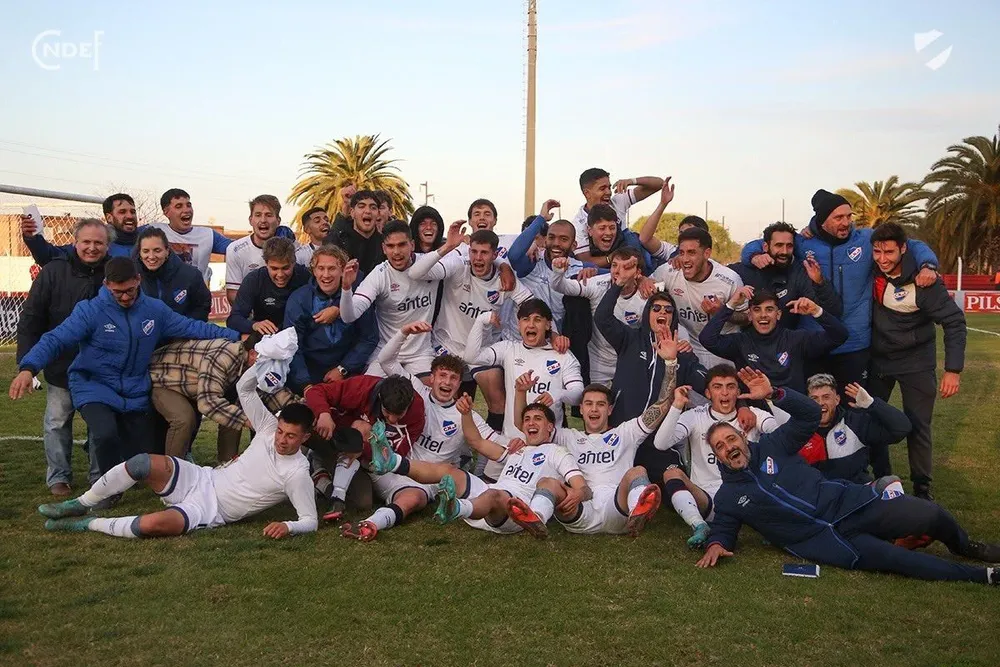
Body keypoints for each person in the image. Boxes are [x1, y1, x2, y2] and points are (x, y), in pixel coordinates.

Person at [697, 369, 1000, 585]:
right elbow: (724, 527)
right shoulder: (728, 496)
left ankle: (964, 546)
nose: (729, 448)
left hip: (851, 504)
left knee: (931, 514)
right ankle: (984, 576)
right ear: (717, 456)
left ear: (741, 434)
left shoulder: (775, 443)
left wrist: (776, 394)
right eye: (720, 447)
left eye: (730, 439)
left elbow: (809, 416)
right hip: (825, 543)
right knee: (898, 561)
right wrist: (716, 544)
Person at [11, 257, 240, 487]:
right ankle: (107, 488)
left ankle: (117, 465)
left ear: (138, 280)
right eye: (118, 292)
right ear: (107, 284)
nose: (125, 297)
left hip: (134, 389)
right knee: (105, 434)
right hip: (94, 385)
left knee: (144, 455)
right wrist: (29, 368)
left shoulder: (155, 310)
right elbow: (55, 339)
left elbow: (193, 327)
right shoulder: (90, 311)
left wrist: (239, 338)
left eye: (130, 290)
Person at [38, 366, 319, 540]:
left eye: (291, 436)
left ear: (305, 437)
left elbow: (310, 521)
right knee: (140, 463)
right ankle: (80, 503)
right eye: (281, 431)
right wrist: (266, 361)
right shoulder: (269, 427)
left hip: (211, 509)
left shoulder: (297, 473)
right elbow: (244, 389)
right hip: (201, 478)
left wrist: (287, 526)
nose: (281, 439)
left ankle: (88, 524)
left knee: (151, 525)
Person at [739, 189, 940, 391]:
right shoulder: (802, 243)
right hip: (814, 341)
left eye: (848, 216)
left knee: (854, 406)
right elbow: (757, 244)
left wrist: (928, 265)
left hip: (855, 343)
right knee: (815, 405)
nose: (846, 222)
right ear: (823, 220)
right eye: (838, 217)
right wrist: (754, 255)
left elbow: (911, 245)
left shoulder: (866, 240)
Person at [340, 324, 509, 541]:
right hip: (387, 466)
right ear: (432, 377)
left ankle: (370, 524)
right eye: (443, 375)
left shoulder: (466, 415)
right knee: (361, 429)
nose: (447, 382)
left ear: (460, 384)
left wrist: (517, 445)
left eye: (453, 378)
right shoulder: (416, 391)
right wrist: (403, 333)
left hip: (423, 482)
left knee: (413, 499)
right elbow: (386, 361)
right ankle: (335, 485)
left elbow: (494, 442)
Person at [505, 333, 680, 538]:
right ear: (581, 408)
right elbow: (523, 424)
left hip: (618, 508)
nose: (594, 409)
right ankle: (536, 518)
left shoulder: (626, 432)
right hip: (579, 509)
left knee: (637, 471)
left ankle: (637, 513)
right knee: (547, 483)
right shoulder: (566, 437)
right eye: (589, 404)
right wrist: (520, 392)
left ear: (610, 410)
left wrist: (670, 363)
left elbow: (661, 406)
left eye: (600, 404)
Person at [368, 400, 588, 537]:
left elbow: (581, 487)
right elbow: (477, 442)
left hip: (515, 513)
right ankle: (393, 463)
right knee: (450, 471)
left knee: (493, 494)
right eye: (527, 419)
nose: (531, 422)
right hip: (489, 501)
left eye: (538, 419)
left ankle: (456, 508)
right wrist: (466, 414)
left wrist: (577, 494)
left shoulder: (557, 452)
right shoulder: (516, 449)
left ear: (550, 427)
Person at [867, 223, 967, 500]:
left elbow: (955, 321)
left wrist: (953, 370)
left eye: (889, 251)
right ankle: (881, 478)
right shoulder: (872, 267)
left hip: (916, 362)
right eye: (877, 251)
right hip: (879, 360)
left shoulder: (926, 280)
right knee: (871, 417)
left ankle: (922, 490)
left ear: (903, 249)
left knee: (919, 426)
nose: (883, 258)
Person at [16, 218, 111, 496]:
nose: (92, 248)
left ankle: (99, 478)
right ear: (75, 242)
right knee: (56, 422)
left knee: (99, 425)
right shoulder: (54, 271)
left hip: (100, 368)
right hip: (61, 365)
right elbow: (32, 319)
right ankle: (59, 476)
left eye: (98, 243)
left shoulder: (114, 274)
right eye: (86, 242)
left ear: (107, 246)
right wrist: (27, 363)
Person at [408, 228, 529, 431]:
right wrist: (448, 247)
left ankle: (486, 462)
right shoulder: (458, 266)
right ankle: (451, 450)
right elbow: (415, 272)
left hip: (481, 350)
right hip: (447, 346)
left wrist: (552, 334)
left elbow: (530, 305)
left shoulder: (506, 279)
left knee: (498, 400)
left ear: (495, 254)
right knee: (444, 402)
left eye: (484, 253)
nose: (477, 258)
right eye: (473, 251)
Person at [653, 365, 778, 547]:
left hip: (748, 496)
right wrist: (677, 406)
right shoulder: (695, 416)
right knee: (671, 473)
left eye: (731, 386)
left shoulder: (753, 415)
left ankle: (772, 527)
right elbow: (661, 443)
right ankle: (699, 525)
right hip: (709, 501)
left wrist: (769, 398)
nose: (725, 393)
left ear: (738, 391)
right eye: (717, 387)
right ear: (708, 393)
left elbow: (784, 435)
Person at [463, 299, 585, 480]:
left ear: (548, 324)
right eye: (526, 319)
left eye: (537, 319)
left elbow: (578, 394)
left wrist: (557, 394)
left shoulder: (563, 356)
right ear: (519, 324)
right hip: (510, 443)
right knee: (490, 495)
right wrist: (481, 320)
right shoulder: (509, 349)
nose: (531, 324)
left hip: (546, 446)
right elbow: (471, 356)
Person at [148, 333, 297, 461]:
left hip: (192, 386)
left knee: (235, 413)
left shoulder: (254, 364)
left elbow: (273, 393)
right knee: (184, 418)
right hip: (164, 380)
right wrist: (247, 420)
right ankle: (170, 476)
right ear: (253, 353)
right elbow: (208, 403)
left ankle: (227, 466)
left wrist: (301, 409)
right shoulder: (223, 356)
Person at [340, 220, 452, 377]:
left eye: (401, 245)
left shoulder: (429, 264)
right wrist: (346, 288)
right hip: (386, 351)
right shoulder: (379, 274)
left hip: (420, 353)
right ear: (384, 249)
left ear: (412, 245)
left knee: (428, 398)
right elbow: (348, 316)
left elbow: (461, 263)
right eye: (391, 246)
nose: (396, 252)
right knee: (370, 395)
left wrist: (500, 264)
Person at [304, 373, 425, 516]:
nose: (392, 419)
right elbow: (314, 392)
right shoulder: (363, 387)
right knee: (360, 427)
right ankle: (316, 464)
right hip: (333, 433)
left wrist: (362, 449)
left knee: (363, 502)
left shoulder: (417, 411)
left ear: (409, 402)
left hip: (362, 457)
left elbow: (395, 455)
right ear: (380, 398)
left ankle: (321, 475)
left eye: (399, 414)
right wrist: (323, 414)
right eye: (387, 411)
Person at [699, 288, 848, 393]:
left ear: (778, 314)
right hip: (755, 414)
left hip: (791, 413)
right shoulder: (740, 342)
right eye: (757, 310)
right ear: (749, 316)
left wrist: (816, 311)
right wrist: (731, 305)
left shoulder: (796, 339)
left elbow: (840, 336)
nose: (763, 315)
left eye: (769, 309)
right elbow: (707, 339)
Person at [551, 247, 653, 387]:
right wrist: (558, 272)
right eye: (614, 265)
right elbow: (561, 287)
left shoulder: (646, 294)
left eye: (625, 267)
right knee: (597, 405)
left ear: (638, 273)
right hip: (598, 361)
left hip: (629, 358)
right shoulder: (598, 284)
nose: (617, 271)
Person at [646, 227, 747, 369]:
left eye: (692, 253)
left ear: (707, 253)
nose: (685, 259)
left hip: (721, 350)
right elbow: (647, 286)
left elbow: (747, 318)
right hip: (686, 348)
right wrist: (644, 281)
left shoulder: (729, 280)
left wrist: (722, 313)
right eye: (682, 253)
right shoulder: (668, 271)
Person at [283, 244, 378, 394]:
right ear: (313, 271)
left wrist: (343, 369)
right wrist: (306, 385)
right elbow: (293, 346)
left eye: (332, 268)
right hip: (309, 372)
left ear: (342, 270)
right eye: (321, 268)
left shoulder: (358, 296)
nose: (326, 275)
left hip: (347, 370)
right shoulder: (299, 299)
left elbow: (369, 338)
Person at [728, 221, 841, 329]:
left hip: (786, 344)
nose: (784, 251)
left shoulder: (798, 272)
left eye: (789, 246)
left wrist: (820, 282)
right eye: (779, 245)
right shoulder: (744, 270)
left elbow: (833, 310)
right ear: (765, 247)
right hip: (748, 344)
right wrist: (725, 310)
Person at [800, 374, 911, 484]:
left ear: (837, 400)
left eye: (826, 397)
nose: (820, 403)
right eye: (814, 398)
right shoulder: (798, 431)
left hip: (856, 494)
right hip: (817, 498)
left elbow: (901, 428)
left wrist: (872, 404)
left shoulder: (855, 423)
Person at [508, 199, 597, 331]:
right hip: (517, 342)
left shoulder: (579, 268)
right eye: (551, 237)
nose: (556, 243)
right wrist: (541, 218)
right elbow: (514, 255)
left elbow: (615, 274)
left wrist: (594, 271)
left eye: (564, 239)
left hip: (553, 345)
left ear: (574, 246)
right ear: (545, 240)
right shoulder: (533, 261)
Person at [571, 168, 663, 266]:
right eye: (602, 188)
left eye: (609, 187)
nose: (608, 192)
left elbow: (660, 184)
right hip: (604, 270)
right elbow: (586, 260)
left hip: (634, 259)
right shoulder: (578, 225)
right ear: (587, 193)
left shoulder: (617, 202)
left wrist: (632, 181)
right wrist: (613, 258)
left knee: (631, 238)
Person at [21, 193, 138, 265]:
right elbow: (48, 256)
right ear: (109, 217)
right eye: (122, 212)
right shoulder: (95, 246)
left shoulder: (146, 242)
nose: (129, 216)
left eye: (133, 212)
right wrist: (32, 238)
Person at [227, 238, 310, 336]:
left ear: (293, 263)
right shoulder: (254, 280)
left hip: (299, 334)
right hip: (266, 336)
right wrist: (254, 325)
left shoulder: (305, 277)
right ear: (266, 263)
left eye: (285, 268)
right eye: (274, 268)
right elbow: (233, 319)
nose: (280, 275)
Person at [148, 188, 234, 279]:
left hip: (197, 291)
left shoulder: (208, 235)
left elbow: (237, 249)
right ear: (166, 212)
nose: (186, 210)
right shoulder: (152, 230)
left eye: (188, 205)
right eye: (179, 206)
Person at [134, 227, 211, 320]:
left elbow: (202, 306)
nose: (151, 256)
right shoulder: (131, 276)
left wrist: (185, 329)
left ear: (167, 251)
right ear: (140, 253)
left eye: (157, 250)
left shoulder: (191, 275)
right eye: (146, 251)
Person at [225, 195, 283, 304]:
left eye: (269, 215)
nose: (263, 220)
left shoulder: (292, 248)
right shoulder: (235, 249)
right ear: (250, 220)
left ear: (278, 221)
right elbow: (233, 294)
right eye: (258, 215)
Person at [324, 189, 384, 276]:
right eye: (361, 206)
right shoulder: (338, 242)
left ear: (378, 214)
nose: (367, 211)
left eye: (373, 207)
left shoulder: (386, 243)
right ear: (352, 213)